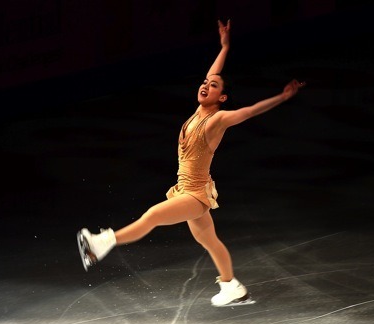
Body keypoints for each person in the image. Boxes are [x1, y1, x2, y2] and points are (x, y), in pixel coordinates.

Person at [77, 19, 305, 306]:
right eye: (204, 83)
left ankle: (101, 243)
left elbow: (248, 111)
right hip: (186, 188)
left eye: (212, 86)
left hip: (194, 193)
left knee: (152, 216)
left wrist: (283, 97)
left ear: (221, 97)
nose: (205, 85)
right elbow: (215, 71)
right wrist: (225, 46)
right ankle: (232, 287)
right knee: (209, 241)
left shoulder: (216, 119)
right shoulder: (199, 111)